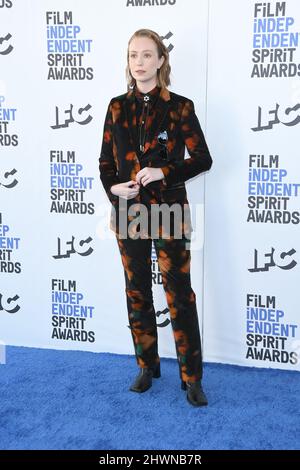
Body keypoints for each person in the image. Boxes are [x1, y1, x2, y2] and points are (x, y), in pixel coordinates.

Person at [99, 29, 212, 407]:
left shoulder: (180, 106)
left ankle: (191, 377)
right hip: (129, 212)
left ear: (161, 61)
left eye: (147, 55)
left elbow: (202, 159)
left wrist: (166, 172)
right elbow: (105, 164)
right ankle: (147, 366)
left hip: (168, 211)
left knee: (179, 295)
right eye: (133, 55)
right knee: (137, 292)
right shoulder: (116, 106)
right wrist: (114, 187)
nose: (139, 62)